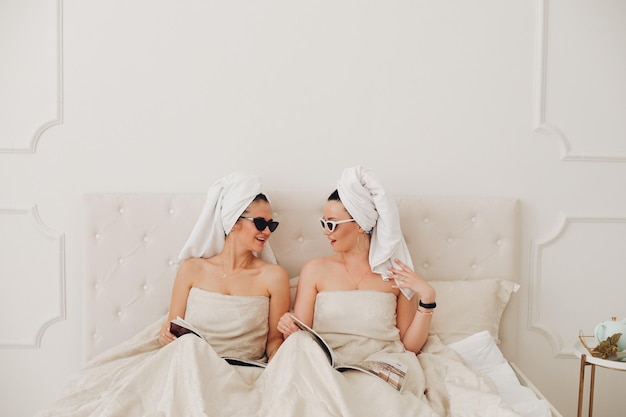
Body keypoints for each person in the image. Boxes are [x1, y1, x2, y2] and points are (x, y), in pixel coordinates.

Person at [35, 172, 291, 417]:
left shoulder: (273, 276)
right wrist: (166, 335)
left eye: (272, 224)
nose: (267, 231)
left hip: (242, 374)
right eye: (260, 223)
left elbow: (273, 342)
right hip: (191, 370)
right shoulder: (192, 269)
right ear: (234, 222)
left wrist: (287, 361)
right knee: (185, 352)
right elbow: (172, 328)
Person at [256, 165, 441, 417]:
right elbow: (300, 336)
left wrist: (426, 299)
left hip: (379, 366)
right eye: (323, 223)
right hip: (327, 366)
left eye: (331, 224)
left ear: (359, 224)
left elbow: (409, 347)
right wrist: (290, 327)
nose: (324, 231)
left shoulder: (394, 274)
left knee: (376, 395)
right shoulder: (315, 270)